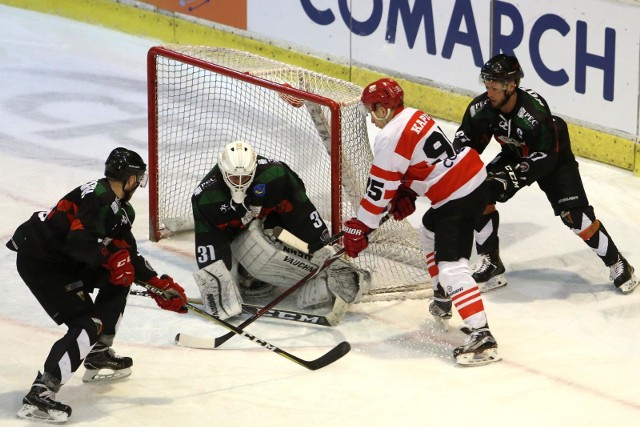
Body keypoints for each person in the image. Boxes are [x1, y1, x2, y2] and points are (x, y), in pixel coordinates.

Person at [6, 147, 188, 423]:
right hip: (41, 263)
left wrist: (159, 284)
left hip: (63, 259)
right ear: (129, 179)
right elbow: (79, 244)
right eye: (138, 179)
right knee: (87, 325)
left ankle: (98, 353)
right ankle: (40, 395)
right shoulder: (98, 199)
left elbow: (128, 254)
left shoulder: (118, 208)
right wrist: (111, 259)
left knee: (122, 276)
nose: (138, 185)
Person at [342, 78, 500, 366]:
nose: (371, 117)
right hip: (469, 182)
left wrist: (360, 225)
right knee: (428, 230)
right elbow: (430, 162)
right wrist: (409, 189)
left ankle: (482, 336)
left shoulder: (389, 136)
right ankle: (443, 295)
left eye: (372, 110)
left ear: (383, 108)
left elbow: (378, 192)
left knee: (452, 266)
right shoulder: (415, 115)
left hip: (458, 195)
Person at [453, 54, 638, 294]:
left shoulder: (534, 114)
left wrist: (513, 175)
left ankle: (618, 263)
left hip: (553, 156)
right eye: (487, 87)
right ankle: (492, 263)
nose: (490, 93)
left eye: (495, 88)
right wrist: (453, 166)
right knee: (479, 190)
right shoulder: (483, 108)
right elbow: (465, 145)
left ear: (512, 86)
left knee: (575, 216)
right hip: (515, 152)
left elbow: (545, 157)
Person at [191, 140, 370, 320]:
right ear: (223, 171)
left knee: (269, 239)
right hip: (234, 236)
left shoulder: (274, 175)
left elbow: (301, 213)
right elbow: (209, 244)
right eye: (233, 177)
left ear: (253, 170)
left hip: (270, 221)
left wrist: (325, 252)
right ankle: (246, 275)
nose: (239, 183)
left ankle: (324, 274)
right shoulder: (206, 196)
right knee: (251, 247)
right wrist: (217, 287)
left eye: (244, 177)